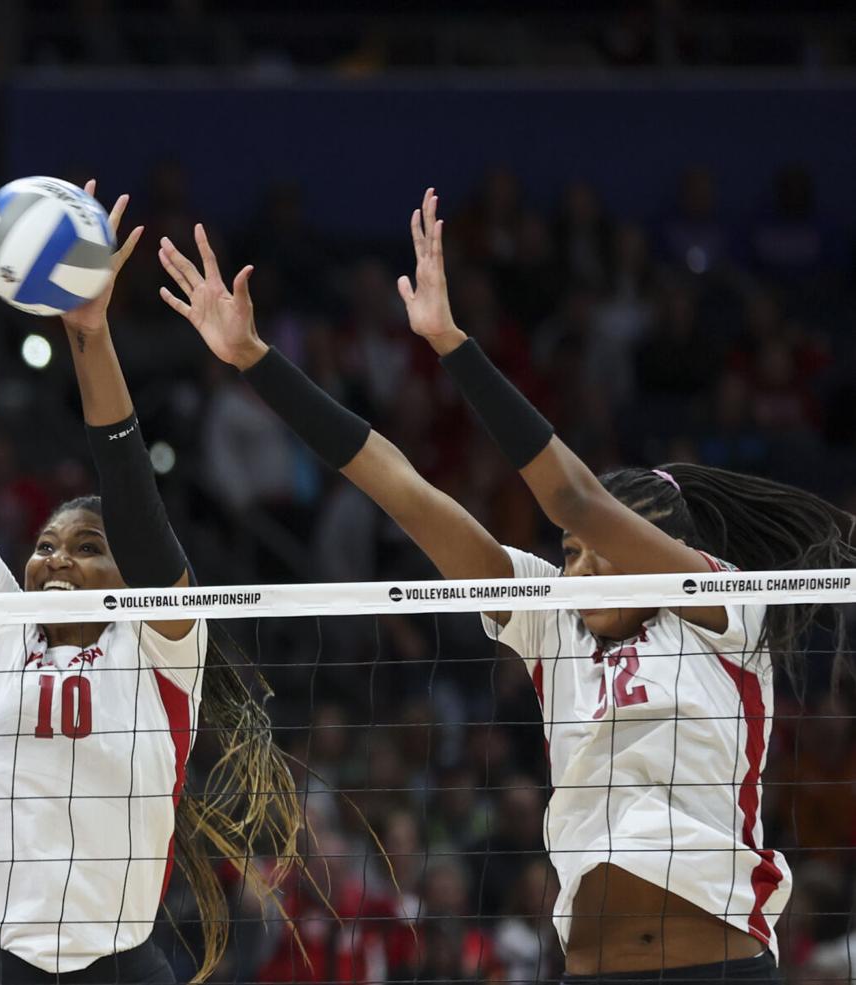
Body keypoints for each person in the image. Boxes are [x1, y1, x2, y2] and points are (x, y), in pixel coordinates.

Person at [158, 190, 856, 984]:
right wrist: (256, 361)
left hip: (717, 966)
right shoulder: (549, 616)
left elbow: (575, 498)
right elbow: (402, 488)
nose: (581, 570)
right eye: (571, 554)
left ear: (669, 553)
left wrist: (454, 344)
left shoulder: (717, 606)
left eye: (605, 554)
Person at [0, 158, 301, 984]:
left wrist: (90, 333)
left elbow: (133, 494)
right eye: (47, 543)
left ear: (127, 577)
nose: (56, 559)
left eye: (88, 547)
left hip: (121, 964)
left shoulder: (161, 649)